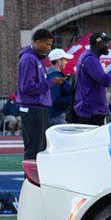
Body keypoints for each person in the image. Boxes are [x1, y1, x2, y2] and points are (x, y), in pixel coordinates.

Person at [17, 29, 57, 161]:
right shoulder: (29, 59)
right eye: (47, 44)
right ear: (37, 42)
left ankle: (35, 180)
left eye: (50, 45)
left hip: (38, 108)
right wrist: (50, 83)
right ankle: (29, 180)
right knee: (34, 149)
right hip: (33, 109)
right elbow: (27, 87)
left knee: (40, 148)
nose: (49, 48)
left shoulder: (36, 58)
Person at [73, 32, 111, 125]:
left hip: (88, 109)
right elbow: (105, 80)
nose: (108, 46)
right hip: (91, 111)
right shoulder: (90, 59)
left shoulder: (88, 56)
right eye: (105, 43)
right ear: (98, 43)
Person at [46, 48, 75, 127]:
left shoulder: (53, 75)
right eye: (65, 60)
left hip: (54, 115)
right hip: (56, 116)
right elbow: (56, 99)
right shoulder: (55, 76)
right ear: (59, 61)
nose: (66, 62)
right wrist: (72, 98)